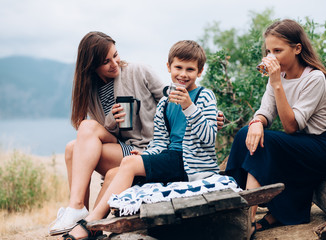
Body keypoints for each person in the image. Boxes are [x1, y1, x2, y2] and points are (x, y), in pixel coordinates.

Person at [49, 32, 225, 236]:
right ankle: (82, 215)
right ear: (91, 66)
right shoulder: (91, 91)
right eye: (106, 61)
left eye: (115, 55)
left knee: (117, 169)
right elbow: (160, 136)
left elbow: (182, 106)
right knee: (74, 145)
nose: (114, 63)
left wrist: (203, 112)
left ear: (199, 71)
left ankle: (88, 224)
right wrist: (112, 121)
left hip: (168, 154)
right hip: (146, 151)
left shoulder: (143, 75)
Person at [225, 19, 326, 238]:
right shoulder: (278, 76)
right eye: (269, 51)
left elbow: (291, 126)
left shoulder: (314, 78)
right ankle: (240, 208)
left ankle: (248, 219)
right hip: (302, 143)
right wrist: (255, 123)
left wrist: (276, 83)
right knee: (247, 133)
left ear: (297, 49)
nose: (271, 56)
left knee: (267, 141)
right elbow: (266, 111)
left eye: (278, 51)